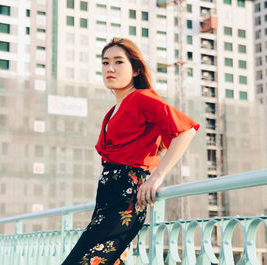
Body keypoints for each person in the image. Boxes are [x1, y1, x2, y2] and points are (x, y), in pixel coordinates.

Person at [61, 38, 199, 265]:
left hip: (126, 200)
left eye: (118, 62)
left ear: (135, 69)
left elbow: (185, 131)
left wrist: (156, 177)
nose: (110, 68)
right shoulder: (113, 110)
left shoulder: (142, 98)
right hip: (106, 201)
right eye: (105, 63)